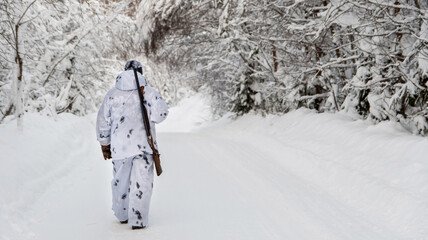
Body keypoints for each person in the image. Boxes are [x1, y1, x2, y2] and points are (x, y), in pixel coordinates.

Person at [96, 60, 169, 229]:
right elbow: (162, 112)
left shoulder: (112, 94)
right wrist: (150, 117)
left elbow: (102, 121)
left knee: (120, 180)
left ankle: (122, 214)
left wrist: (104, 143)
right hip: (143, 145)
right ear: (141, 73)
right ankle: (138, 220)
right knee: (142, 182)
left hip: (119, 146)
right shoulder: (148, 92)